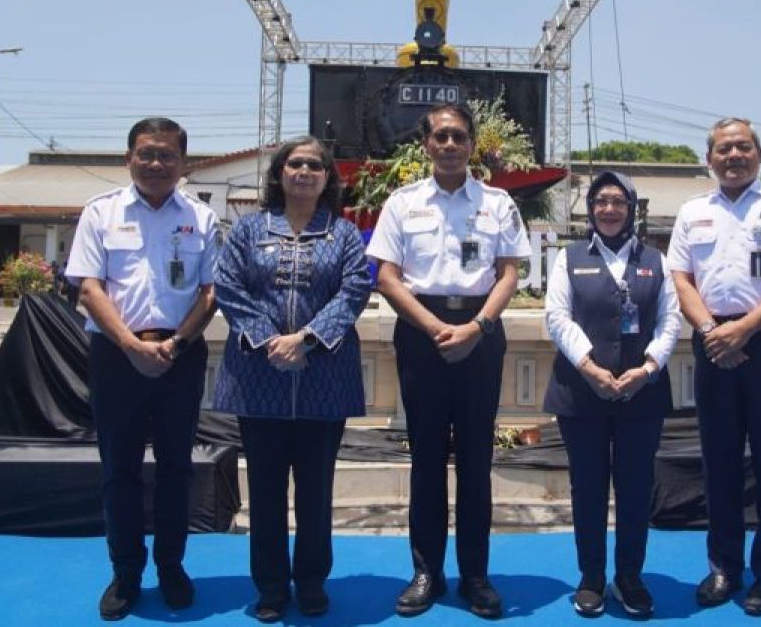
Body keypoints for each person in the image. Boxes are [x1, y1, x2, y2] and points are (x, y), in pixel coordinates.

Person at [366, 103, 531, 619]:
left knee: (477, 460)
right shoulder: (402, 202)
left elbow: (509, 273)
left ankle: (476, 576)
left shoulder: (498, 202)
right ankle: (426, 572)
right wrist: (434, 326)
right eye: (441, 136)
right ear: (426, 144)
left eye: (460, 135)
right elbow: (387, 276)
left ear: (473, 143)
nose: (451, 144)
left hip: (480, 331)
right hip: (423, 333)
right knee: (427, 460)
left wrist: (477, 327)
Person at [64, 117, 219, 621]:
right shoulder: (100, 213)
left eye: (167, 155)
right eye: (146, 154)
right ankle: (126, 572)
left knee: (177, 467)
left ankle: (171, 567)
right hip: (115, 356)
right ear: (128, 157)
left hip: (181, 354)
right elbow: (89, 288)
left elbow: (210, 292)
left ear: (183, 163)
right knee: (120, 469)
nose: (156, 164)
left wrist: (174, 343)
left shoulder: (201, 218)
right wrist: (130, 343)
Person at [213, 137, 371, 623]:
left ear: (328, 177)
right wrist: (268, 340)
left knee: (316, 490)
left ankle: (311, 582)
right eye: (294, 163)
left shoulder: (343, 234)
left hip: (325, 378)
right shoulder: (248, 231)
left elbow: (355, 289)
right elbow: (227, 286)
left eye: (314, 165)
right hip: (259, 378)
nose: (304, 171)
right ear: (279, 173)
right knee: (263, 490)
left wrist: (306, 338)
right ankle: (271, 586)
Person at [667, 117, 761, 618]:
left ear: (759, 155)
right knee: (720, 460)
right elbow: (682, 278)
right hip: (713, 341)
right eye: (724, 149)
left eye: (743, 147)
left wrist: (745, 329)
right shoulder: (692, 212)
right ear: (708, 159)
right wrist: (714, 332)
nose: (734, 156)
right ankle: (725, 567)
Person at [543, 170, 680, 618]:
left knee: (636, 488)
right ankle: (592, 577)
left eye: (618, 201)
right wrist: (590, 367)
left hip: (642, 394)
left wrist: (648, 367)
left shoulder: (656, 261)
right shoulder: (569, 258)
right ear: (591, 209)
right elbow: (557, 317)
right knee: (588, 488)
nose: (608, 209)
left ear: (632, 208)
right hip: (582, 393)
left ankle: (629, 577)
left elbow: (669, 321)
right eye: (600, 201)